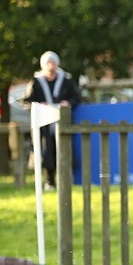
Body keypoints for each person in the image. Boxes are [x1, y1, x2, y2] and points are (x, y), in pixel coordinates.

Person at [24, 51, 81, 190]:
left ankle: (66, 179)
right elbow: (27, 101)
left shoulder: (66, 80)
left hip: (62, 121)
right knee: (46, 151)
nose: (51, 66)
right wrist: (38, 105)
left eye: (53, 63)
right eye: (48, 63)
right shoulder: (36, 82)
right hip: (44, 124)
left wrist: (67, 103)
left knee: (64, 149)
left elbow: (77, 98)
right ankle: (49, 181)